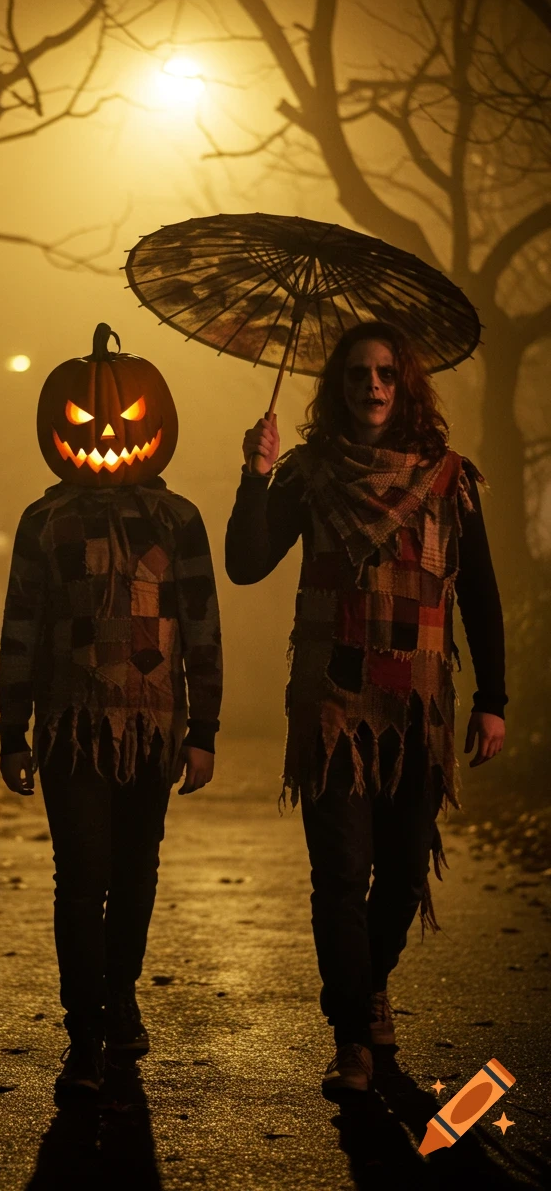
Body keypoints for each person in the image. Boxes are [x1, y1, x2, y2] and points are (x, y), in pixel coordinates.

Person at [225, 321, 506, 1094]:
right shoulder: (308, 474)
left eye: (385, 373)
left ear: (404, 383)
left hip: (416, 707)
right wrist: (256, 474)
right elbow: (246, 564)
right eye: (357, 376)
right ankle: (351, 1036)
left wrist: (492, 699)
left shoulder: (450, 479)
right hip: (333, 707)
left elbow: (478, 594)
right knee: (340, 875)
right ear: (337, 389)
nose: (372, 387)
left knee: (404, 873)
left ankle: (368, 984)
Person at [0, 323, 222, 1100]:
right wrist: (11, 731)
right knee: (80, 874)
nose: (104, 436)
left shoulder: (179, 519)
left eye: (123, 423)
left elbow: (202, 627)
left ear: (155, 426)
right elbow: (20, 623)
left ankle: (118, 992)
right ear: (56, 430)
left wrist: (205, 733)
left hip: (153, 729)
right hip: (70, 727)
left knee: (134, 871)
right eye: (87, 423)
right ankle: (83, 1030)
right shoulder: (45, 520)